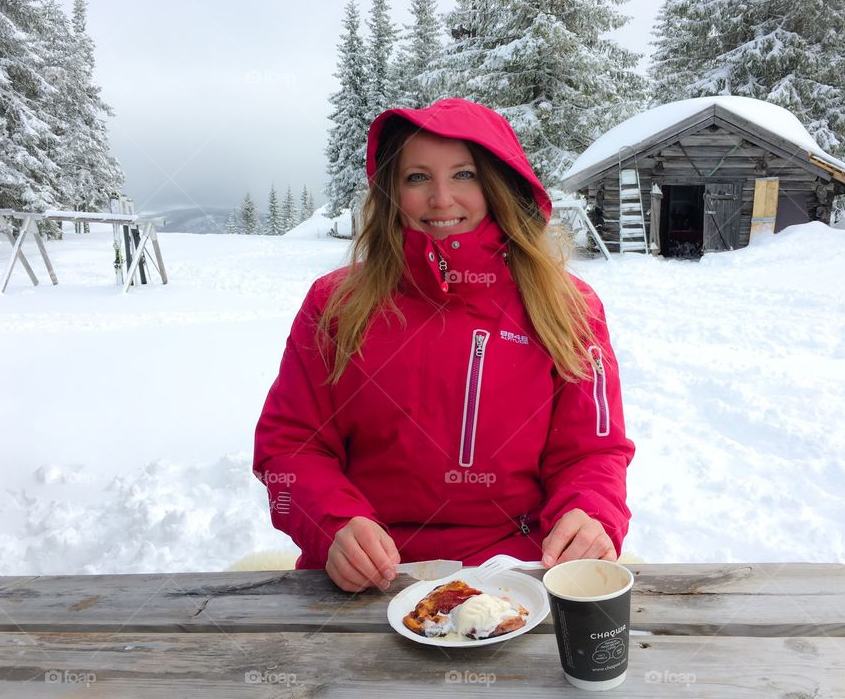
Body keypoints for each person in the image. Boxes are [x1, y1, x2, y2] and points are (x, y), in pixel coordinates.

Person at [254, 98, 634, 593]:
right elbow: (290, 444)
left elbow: (592, 450)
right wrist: (333, 523)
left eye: (464, 174)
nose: (441, 199)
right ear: (391, 193)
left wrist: (591, 513)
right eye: (416, 178)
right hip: (370, 575)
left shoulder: (568, 305)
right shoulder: (335, 303)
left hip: (518, 572)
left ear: (500, 185)